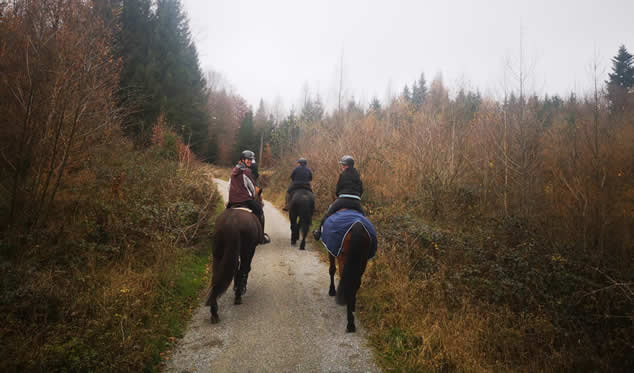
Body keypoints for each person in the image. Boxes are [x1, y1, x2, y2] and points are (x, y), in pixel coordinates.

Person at [313, 155, 364, 240]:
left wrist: (339, 195)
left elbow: (338, 189)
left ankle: (318, 231)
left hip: (343, 200)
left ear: (347, 166)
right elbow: (361, 190)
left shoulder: (343, 175)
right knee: (364, 218)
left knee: (328, 214)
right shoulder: (358, 175)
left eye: (343, 165)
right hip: (356, 202)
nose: (342, 167)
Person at [227, 150, 270, 244]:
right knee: (260, 211)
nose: (250, 161)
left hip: (233, 201)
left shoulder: (234, 170)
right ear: (242, 159)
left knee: (226, 212)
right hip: (245, 200)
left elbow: (229, 186)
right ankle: (261, 237)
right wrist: (252, 195)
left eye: (251, 160)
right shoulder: (246, 171)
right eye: (248, 160)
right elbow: (252, 188)